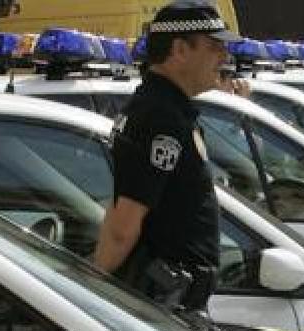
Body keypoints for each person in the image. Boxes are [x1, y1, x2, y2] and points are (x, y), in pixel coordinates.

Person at [93, 0, 236, 312]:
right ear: (180, 50)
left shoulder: (166, 109)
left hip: (175, 302)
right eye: (214, 46)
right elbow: (122, 226)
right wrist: (90, 295)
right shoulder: (160, 118)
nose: (224, 56)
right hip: (165, 304)